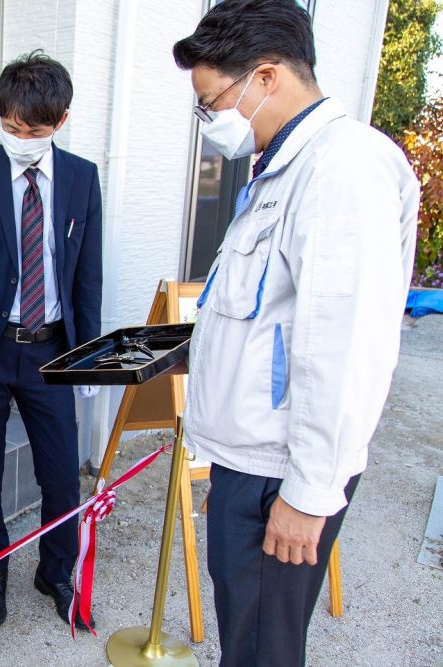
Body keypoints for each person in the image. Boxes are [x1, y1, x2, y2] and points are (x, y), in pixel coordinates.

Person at [173, 2, 420, 665]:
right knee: (248, 639)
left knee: (261, 650)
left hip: (277, 479)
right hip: (249, 465)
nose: (211, 122)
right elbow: (265, 318)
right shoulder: (283, 166)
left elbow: (344, 347)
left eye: (213, 101)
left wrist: (309, 494)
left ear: (266, 77)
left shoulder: (341, 170)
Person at [0, 51, 103, 629]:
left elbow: (87, 275)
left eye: (32, 131)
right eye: (9, 128)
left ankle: (54, 570)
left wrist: (89, 363)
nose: (20, 139)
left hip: (54, 349)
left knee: (60, 472)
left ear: (60, 121)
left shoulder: (82, 178)